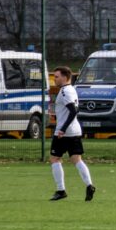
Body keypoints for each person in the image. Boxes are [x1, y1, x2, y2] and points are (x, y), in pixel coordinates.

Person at [47, 66, 95, 202]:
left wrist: (62, 128)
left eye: (56, 77)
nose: (55, 79)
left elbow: (73, 111)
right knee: (76, 160)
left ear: (65, 77)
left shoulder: (64, 92)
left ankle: (61, 190)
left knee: (55, 159)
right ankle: (89, 185)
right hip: (75, 131)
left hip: (64, 132)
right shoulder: (71, 90)